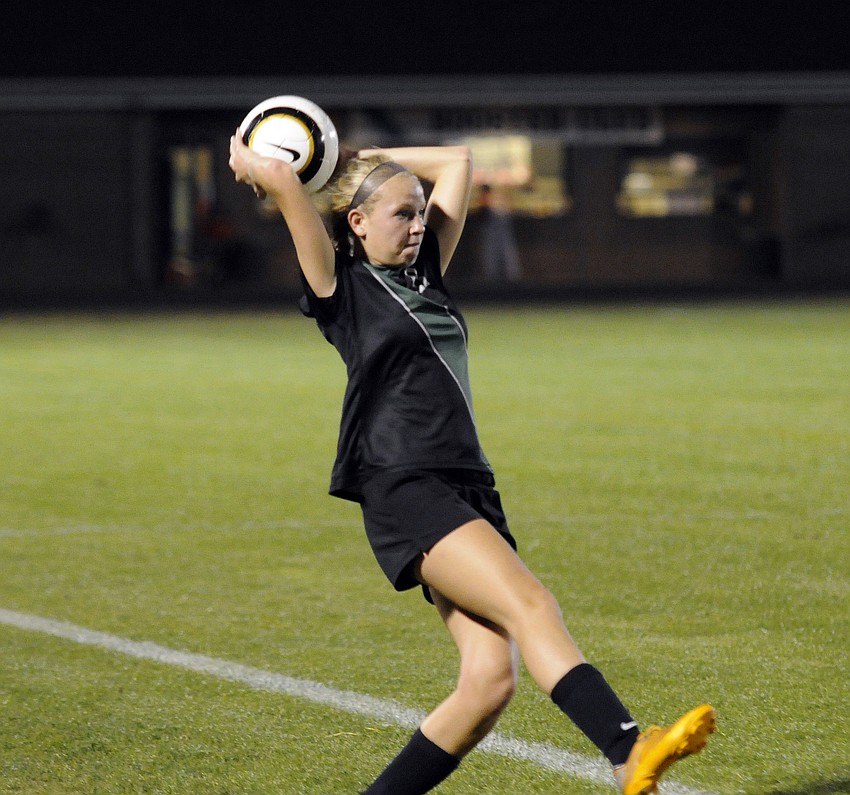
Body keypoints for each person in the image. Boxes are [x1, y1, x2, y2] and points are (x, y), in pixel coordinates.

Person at [228, 128, 716, 795]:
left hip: (465, 482)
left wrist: (360, 158)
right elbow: (287, 187)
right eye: (403, 213)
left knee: (488, 683)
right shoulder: (343, 290)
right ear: (357, 222)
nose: (418, 223)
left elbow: (456, 162)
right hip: (403, 480)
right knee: (531, 602)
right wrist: (260, 164)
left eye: (421, 211)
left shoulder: (426, 276)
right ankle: (628, 748)